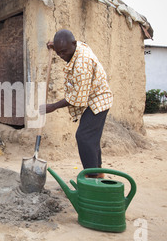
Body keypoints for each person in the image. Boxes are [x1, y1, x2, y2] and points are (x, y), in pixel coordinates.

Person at [40, 29, 113, 178]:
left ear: (73, 44)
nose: (61, 56)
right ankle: (97, 173)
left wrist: (53, 106)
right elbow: (65, 45)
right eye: (59, 52)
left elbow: (78, 98)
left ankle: (92, 177)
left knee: (84, 137)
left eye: (64, 52)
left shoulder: (82, 65)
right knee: (91, 139)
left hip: (98, 100)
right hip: (94, 98)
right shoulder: (75, 46)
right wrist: (56, 46)